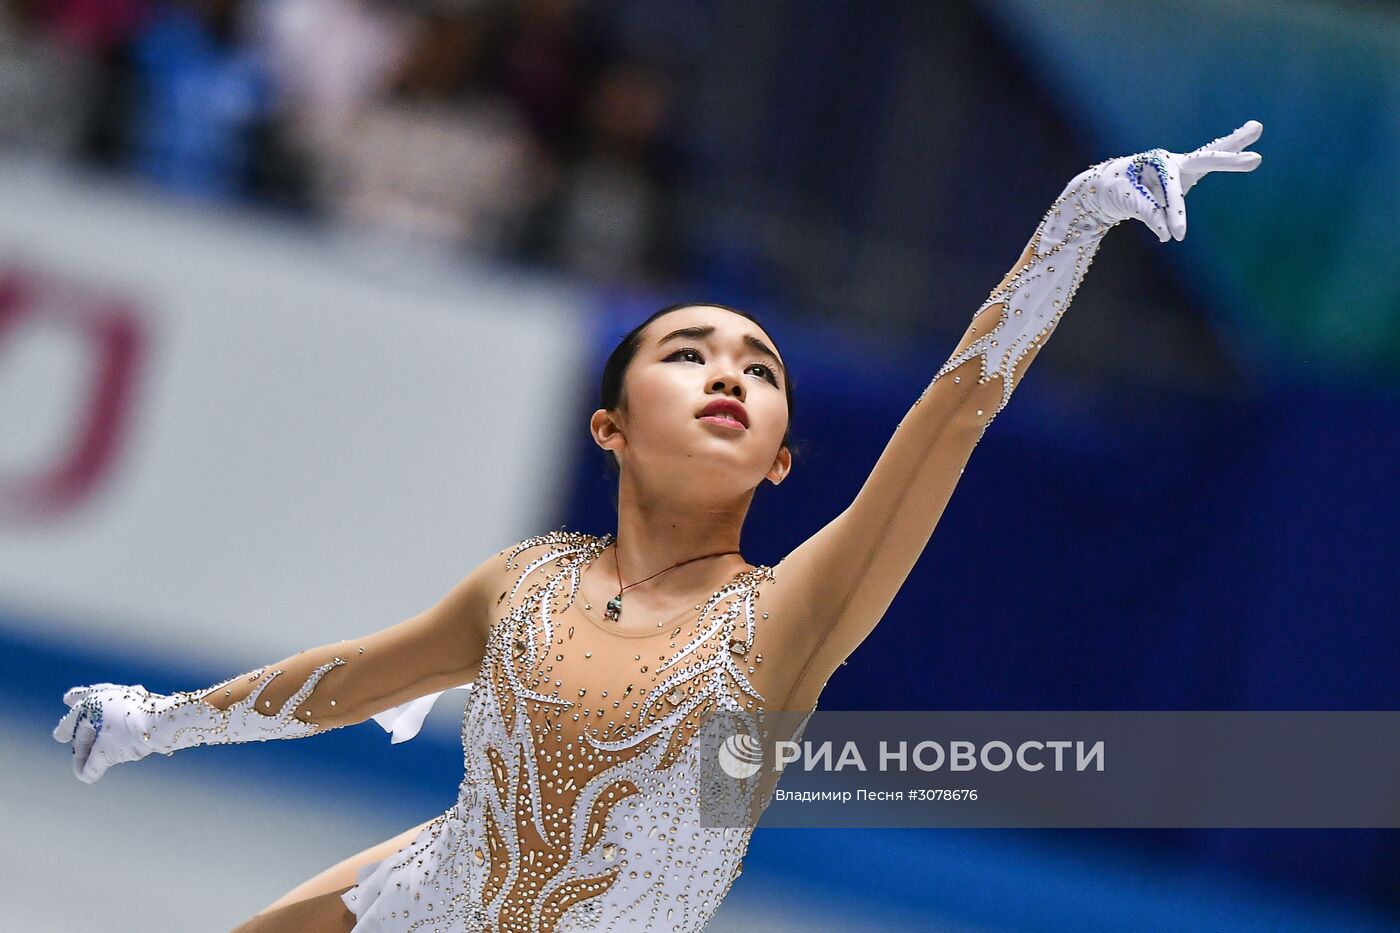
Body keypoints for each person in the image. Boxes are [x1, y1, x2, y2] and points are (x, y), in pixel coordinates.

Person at [53, 121, 1264, 931]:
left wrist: (1077, 217)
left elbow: (953, 412)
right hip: (419, 898)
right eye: (686, 354)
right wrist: (155, 725)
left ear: (782, 456)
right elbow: (352, 676)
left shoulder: (788, 621)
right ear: (610, 427)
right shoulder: (527, 581)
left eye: (758, 366)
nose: (726, 373)